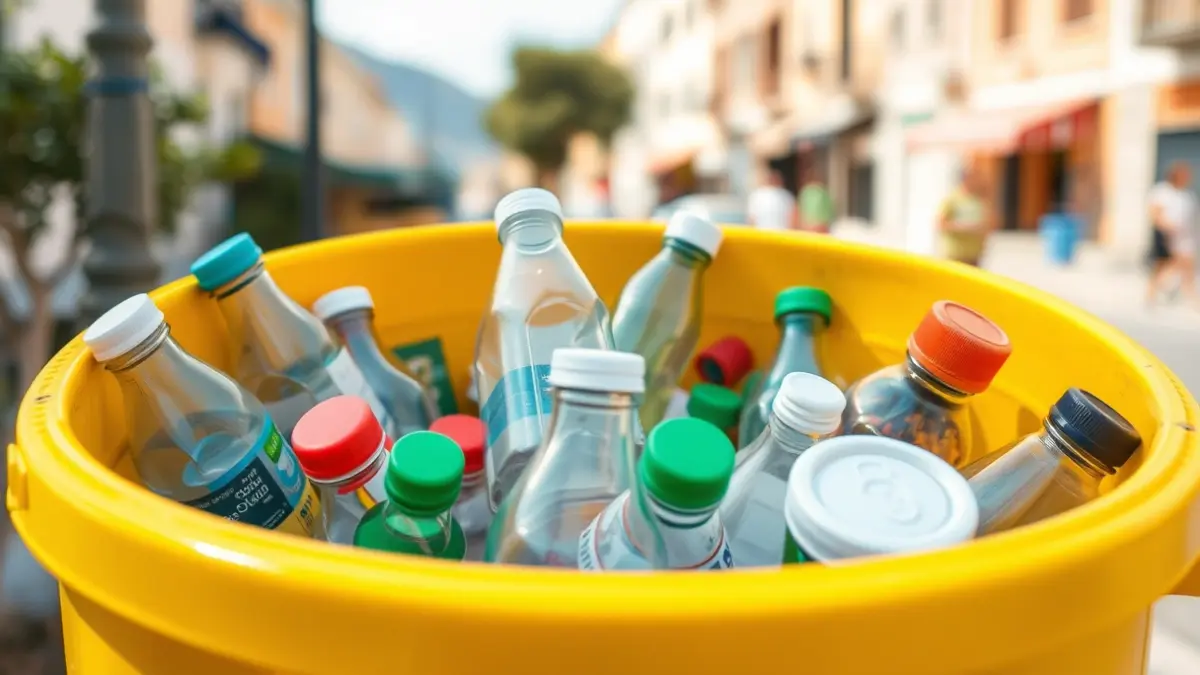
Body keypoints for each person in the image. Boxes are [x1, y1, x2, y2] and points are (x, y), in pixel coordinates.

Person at [1147, 161, 1199, 307]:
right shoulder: (1162, 191)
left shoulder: (1187, 196)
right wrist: (1169, 227)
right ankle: (1153, 294)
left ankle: (1192, 297)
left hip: (1184, 238)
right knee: (1161, 266)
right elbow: (1155, 214)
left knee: (1187, 266)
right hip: (1165, 236)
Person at [936, 163, 994, 267]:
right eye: (973, 176)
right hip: (955, 254)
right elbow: (941, 223)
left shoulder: (979, 199)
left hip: (974, 254)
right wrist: (964, 227)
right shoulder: (952, 198)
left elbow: (988, 223)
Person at [798, 167, 836, 234]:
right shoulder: (822, 191)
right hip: (819, 227)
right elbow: (829, 213)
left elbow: (800, 212)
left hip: (808, 227)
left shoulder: (806, 191)